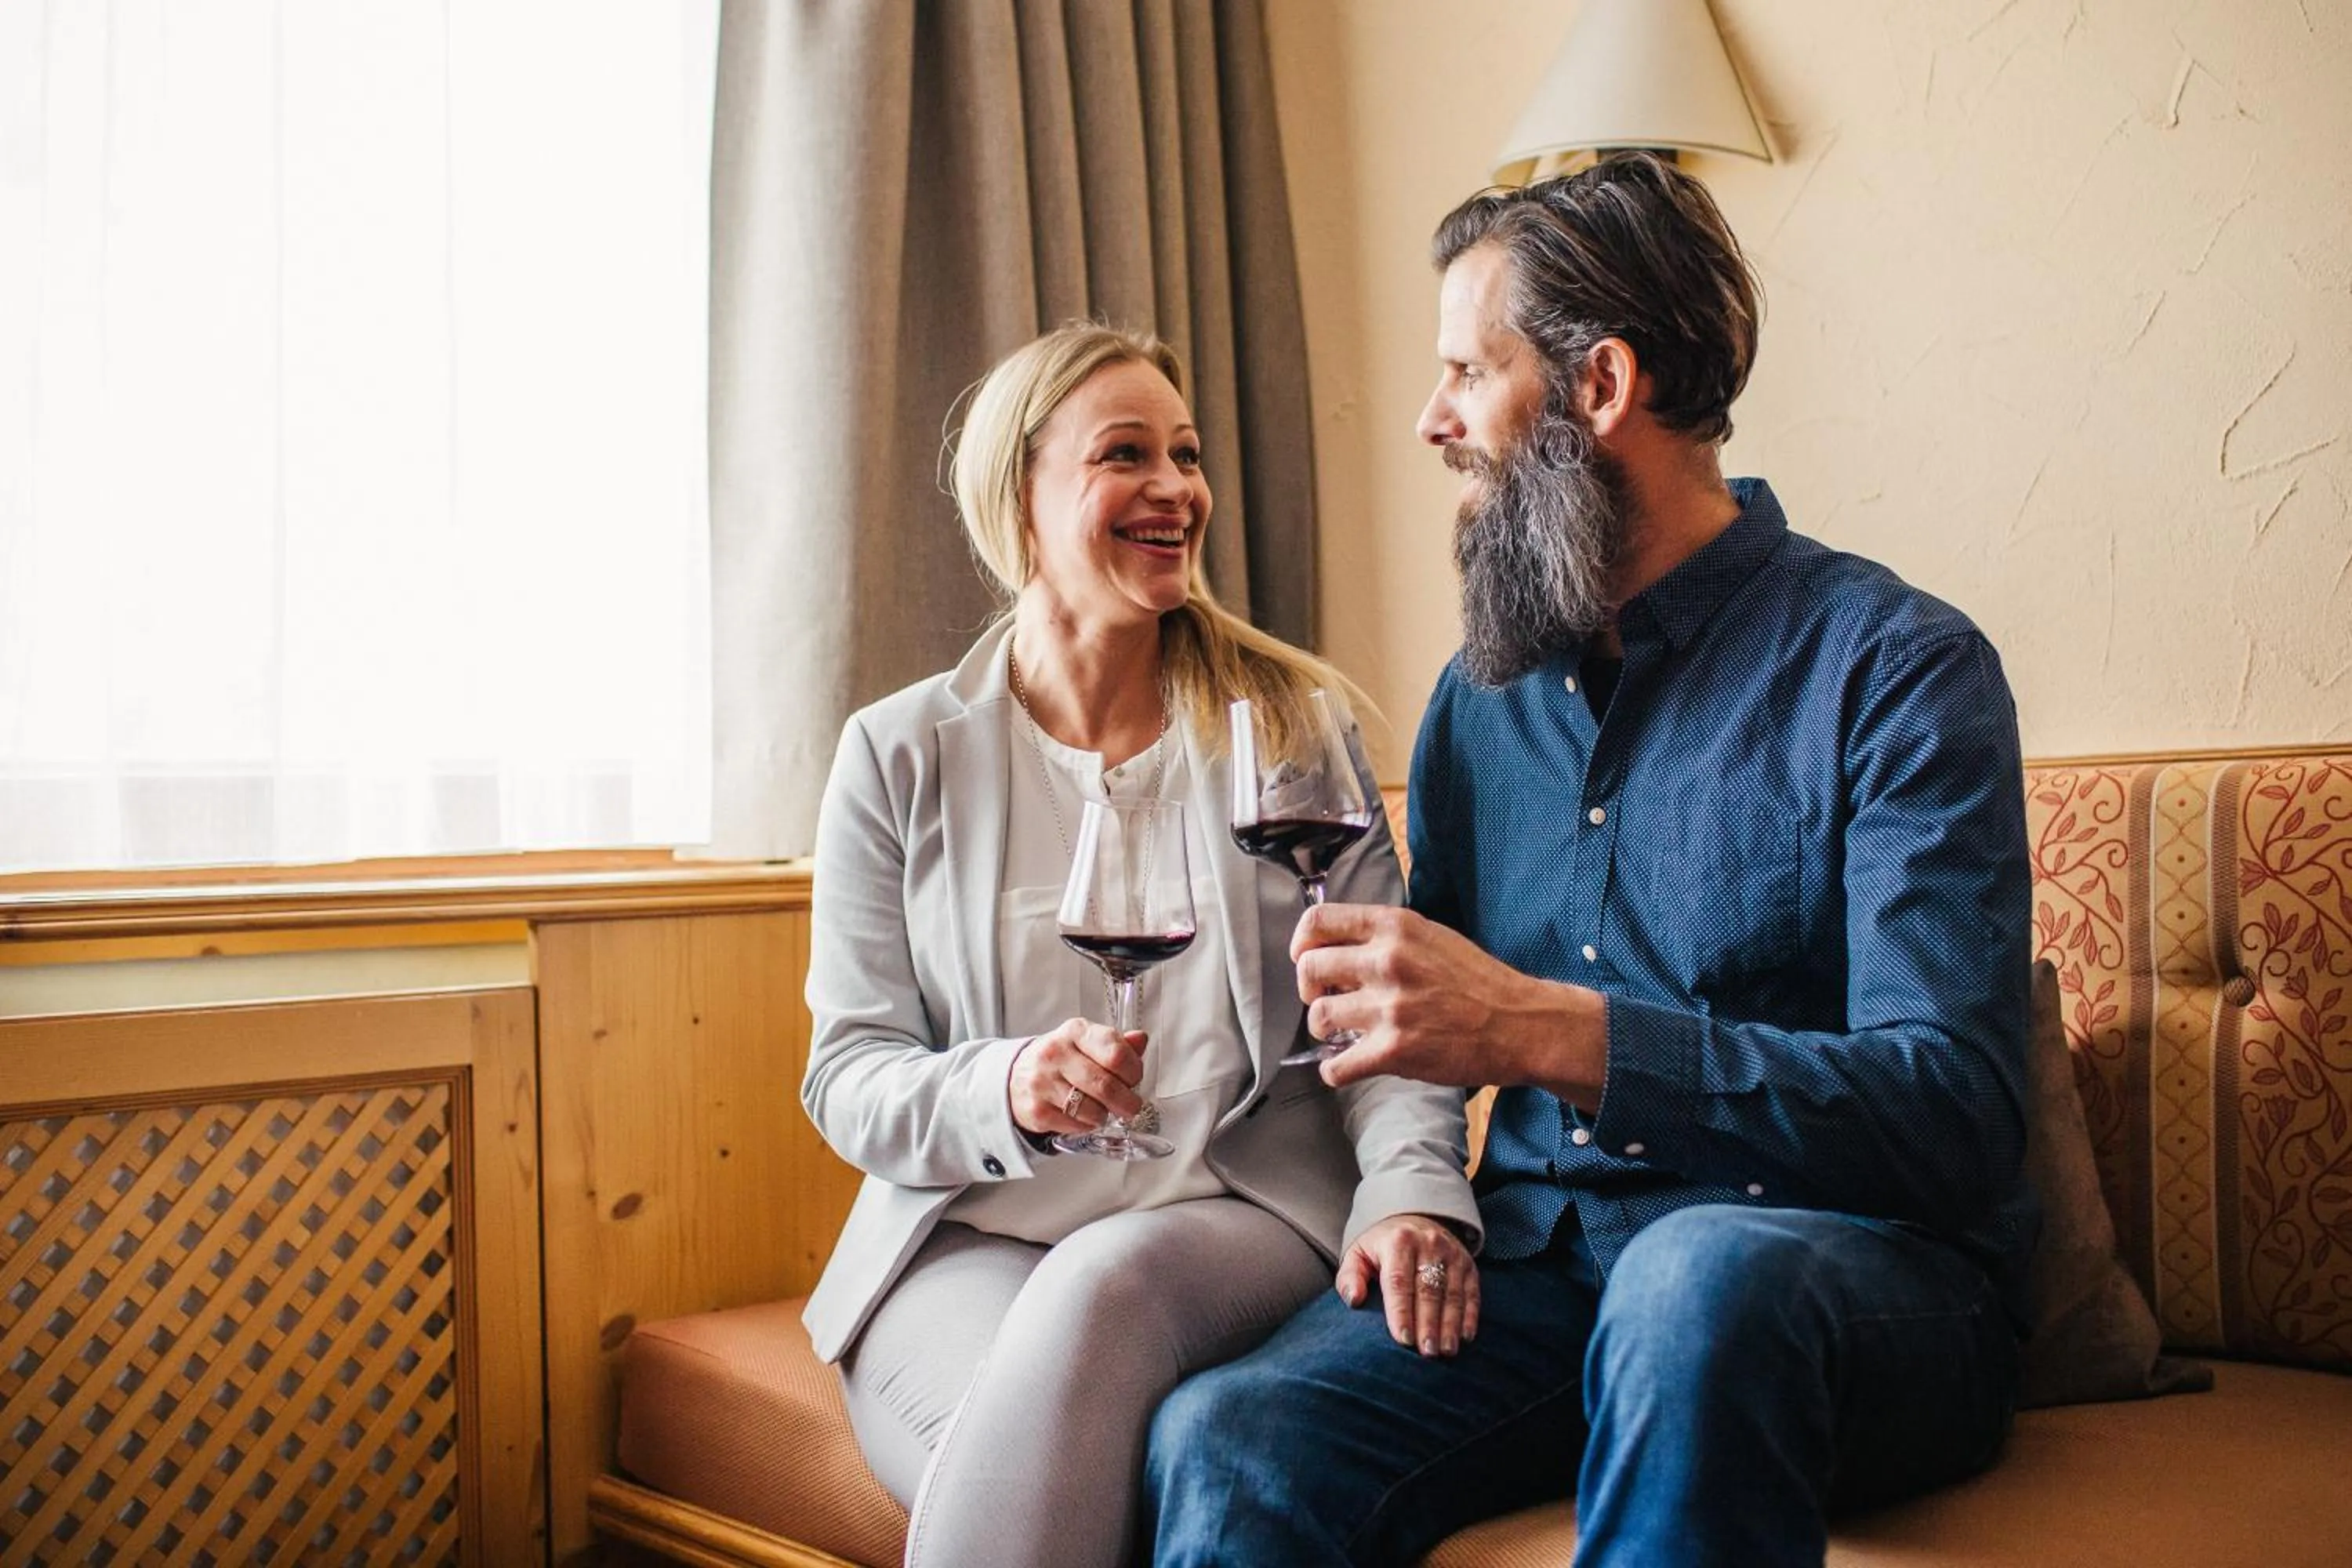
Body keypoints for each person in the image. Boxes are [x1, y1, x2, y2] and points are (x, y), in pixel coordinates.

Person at [1145, 155, 2036, 1566]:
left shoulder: (1897, 670)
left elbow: (1957, 1113)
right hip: (1544, 1268)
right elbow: (1418, 1045)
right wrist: (1410, 1192)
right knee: (1232, 1435)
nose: (1432, 421)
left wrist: (1559, 1033)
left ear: (1599, 388)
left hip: (1836, 1277)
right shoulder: (1480, 704)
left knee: (1693, 1286)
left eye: (1463, 373)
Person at [799, 323, 1483, 1568]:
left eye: (1187, 453)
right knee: (1048, 1475)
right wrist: (1000, 1085)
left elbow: (1383, 1015)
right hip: (969, 1241)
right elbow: (848, 1072)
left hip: (1227, 1215)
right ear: (1022, 494)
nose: (1177, 488)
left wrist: (1411, 1189)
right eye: (1127, 454)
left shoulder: (1287, 729)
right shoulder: (897, 755)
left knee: (1100, 1288)